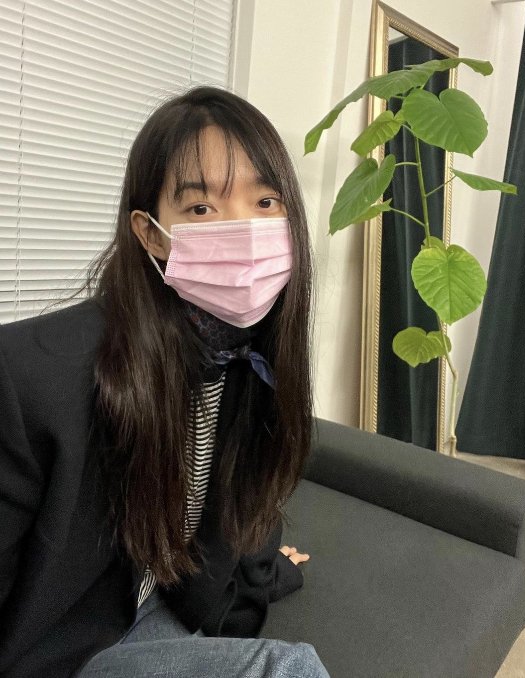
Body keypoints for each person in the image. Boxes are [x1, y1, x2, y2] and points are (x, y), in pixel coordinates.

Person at [0, 85, 330, 678]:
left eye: (265, 201)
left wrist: (260, 555)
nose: (244, 230)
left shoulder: (251, 352)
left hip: (171, 609)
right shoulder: (31, 376)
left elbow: (237, 491)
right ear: (152, 233)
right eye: (202, 208)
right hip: (66, 650)